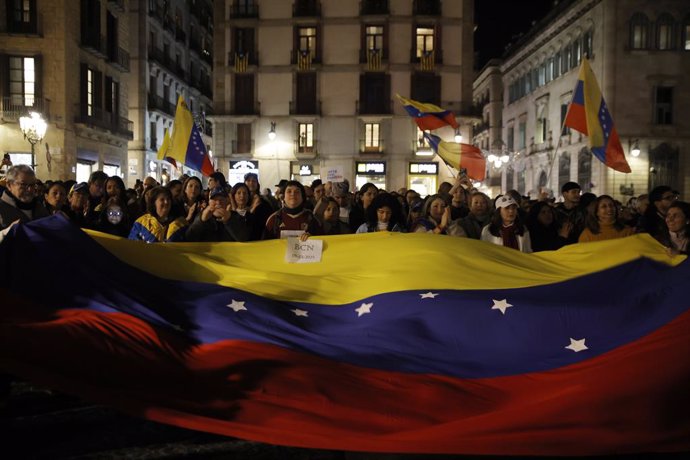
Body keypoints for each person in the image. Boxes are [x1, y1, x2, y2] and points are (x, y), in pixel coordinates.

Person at [0, 165, 49, 230]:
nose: (30, 189)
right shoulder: (1, 209)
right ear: (9, 185)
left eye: (32, 185)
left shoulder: (39, 207)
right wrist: (6, 233)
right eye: (23, 184)